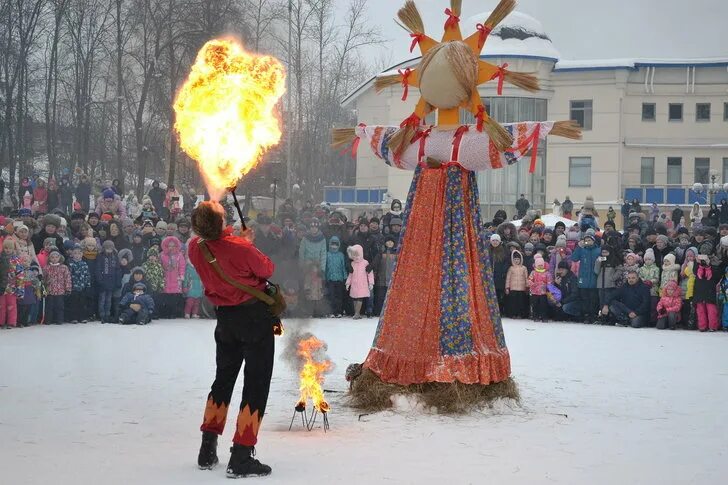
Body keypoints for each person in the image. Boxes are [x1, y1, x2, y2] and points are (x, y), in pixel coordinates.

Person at [187, 201, 275, 477]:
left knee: (223, 380)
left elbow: (221, 250)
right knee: (256, 384)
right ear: (221, 222)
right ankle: (241, 455)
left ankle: (207, 448)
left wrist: (238, 240)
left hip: (225, 319)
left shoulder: (195, 247)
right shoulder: (241, 247)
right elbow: (266, 269)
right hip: (253, 318)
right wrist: (247, 243)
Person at [571, 230, 601, 324]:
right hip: (583, 280)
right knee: (584, 299)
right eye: (586, 240)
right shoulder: (582, 250)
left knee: (593, 299)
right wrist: (578, 247)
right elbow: (574, 258)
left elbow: (603, 259)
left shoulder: (598, 250)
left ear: (593, 240)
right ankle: (586, 316)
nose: (587, 242)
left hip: (594, 280)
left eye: (589, 240)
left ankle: (593, 315)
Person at [693, 255, 722, 332]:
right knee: (700, 310)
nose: (704, 261)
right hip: (699, 290)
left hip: (710, 290)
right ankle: (702, 326)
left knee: (712, 310)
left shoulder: (714, 266)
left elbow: (717, 276)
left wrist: (709, 265)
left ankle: (713, 326)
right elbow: (694, 271)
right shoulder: (697, 267)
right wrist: (697, 262)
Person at [345, 244, 373, 320]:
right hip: (354, 284)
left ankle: (357, 313)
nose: (356, 257)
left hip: (362, 284)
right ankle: (356, 312)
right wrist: (348, 283)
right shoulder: (352, 263)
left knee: (360, 299)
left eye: (357, 255)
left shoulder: (365, 263)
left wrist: (371, 283)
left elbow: (370, 273)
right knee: (354, 299)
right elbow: (350, 275)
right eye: (354, 255)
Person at [44, 249, 72, 324]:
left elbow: (67, 278)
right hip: (50, 291)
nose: (54, 259)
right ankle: (48, 320)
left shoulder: (64, 267)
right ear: (49, 258)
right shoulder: (47, 267)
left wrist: (68, 288)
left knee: (59, 307)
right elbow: (44, 279)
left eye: (56, 257)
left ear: (60, 258)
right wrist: (45, 286)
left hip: (60, 291)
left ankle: (59, 320)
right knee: (49, 307)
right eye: (52, 257)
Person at [324, 236, 347, 318]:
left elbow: (343, 266)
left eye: (336, 244)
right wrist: (325, 276)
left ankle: (339, 311)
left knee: (339, 296)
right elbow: (326, 267)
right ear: (330, 244)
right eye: (332, 244)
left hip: (339, 278)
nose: (334, 246)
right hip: (330, 278)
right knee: (331, 296)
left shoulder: (341, 255)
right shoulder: (327, 254)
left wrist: (345, 276)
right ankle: (332, 311)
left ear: (338, 245)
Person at [505, 250, 529, 318]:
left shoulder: (524, 268)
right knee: (513, 302)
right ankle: (513, 314)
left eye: (518, 259)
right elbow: (508, 278)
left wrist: (527, 286)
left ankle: (520, 314)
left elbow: (526, 277)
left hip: (522, 288)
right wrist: (507, 287)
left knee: (521, 302)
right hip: (513, 288)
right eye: (515, 259)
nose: (516, 261)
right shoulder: (511, 268)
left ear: (521, 259)